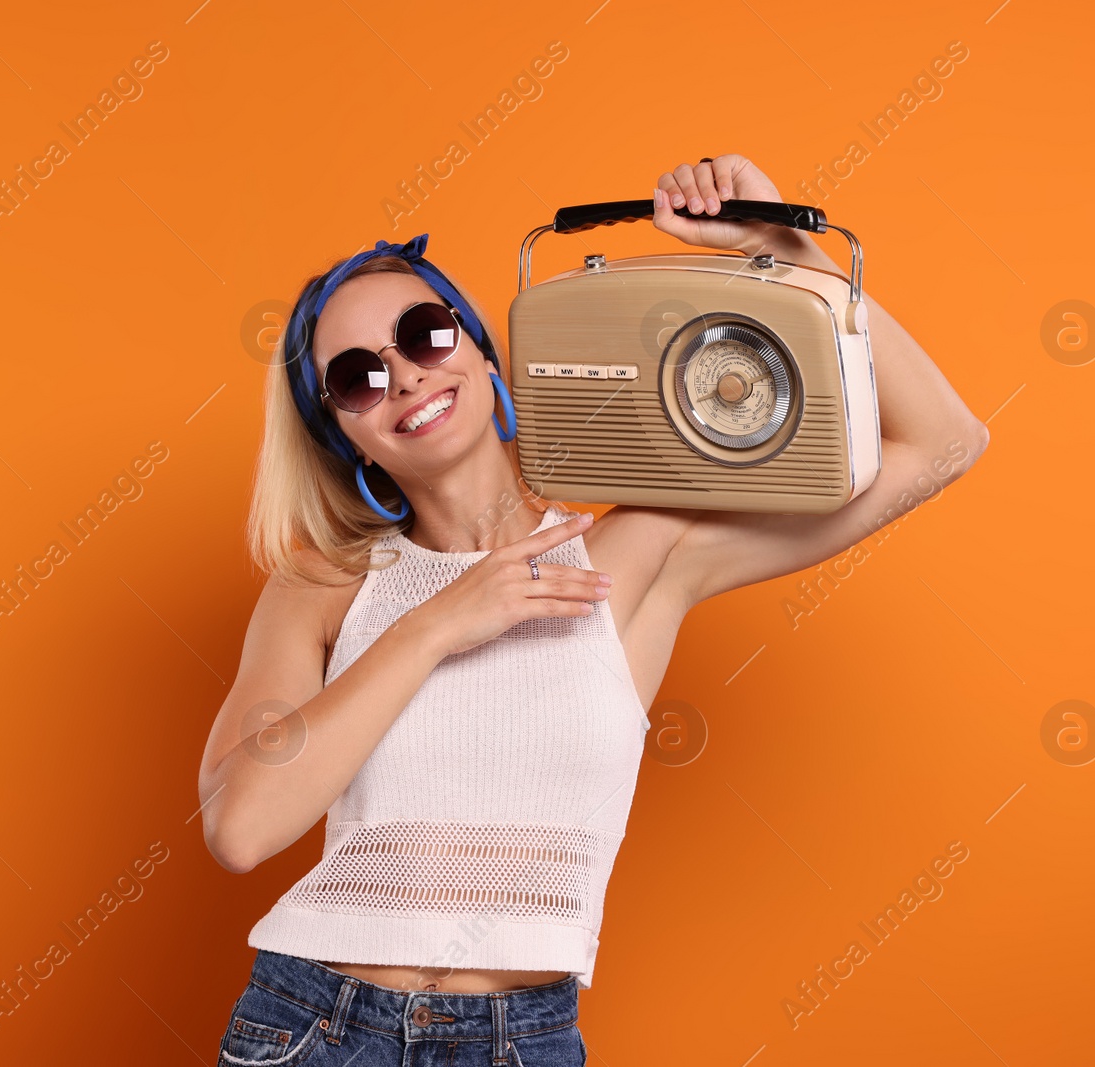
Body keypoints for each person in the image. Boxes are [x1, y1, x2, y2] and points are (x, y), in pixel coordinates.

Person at [197, 154, 989, 1066]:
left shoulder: (637, 547)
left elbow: (942, 443)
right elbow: (241, 828)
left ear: (482, 348)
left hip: (518, 1039)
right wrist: (438, 624)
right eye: (357, 378)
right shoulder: (323, 586)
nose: (406, 377)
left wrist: (785, 249)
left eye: (424, 332)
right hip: (319, 1025)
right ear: (342, 434)